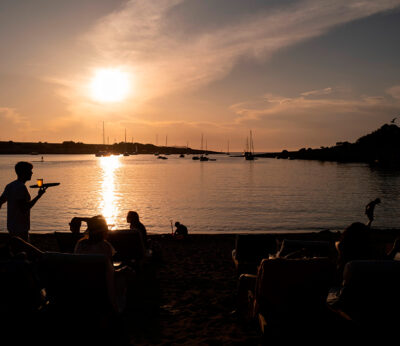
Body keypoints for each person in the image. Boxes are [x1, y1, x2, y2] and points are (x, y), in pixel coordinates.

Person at [0, 161, 47, 241]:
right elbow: (24, 208)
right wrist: (38, 196)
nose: (32, 173)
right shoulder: (20, 187)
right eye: (30, 170)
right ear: (24, 172)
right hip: (20, 228)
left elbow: (0, 201)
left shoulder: (10, 185)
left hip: (12, 226)